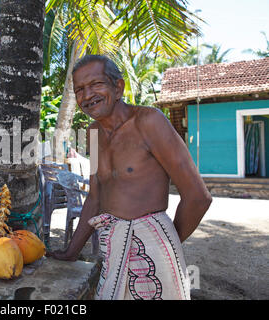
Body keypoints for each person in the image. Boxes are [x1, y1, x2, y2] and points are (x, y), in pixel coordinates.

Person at [46, 55, 212, 300]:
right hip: (113, 247)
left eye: (96, 84)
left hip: (154, 249)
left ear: (118, 87)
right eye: (79, 89)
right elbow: (95, 196)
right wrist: (72, 251)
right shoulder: (93, 133)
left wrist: (165, 245)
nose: (87, 95)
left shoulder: (149, 121)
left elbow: (198, 197)